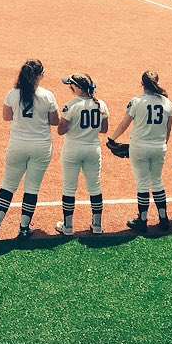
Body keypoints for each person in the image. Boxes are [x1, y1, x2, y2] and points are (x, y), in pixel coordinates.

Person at [0, 59, 59, 240]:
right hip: (41, 146)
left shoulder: (13, 94)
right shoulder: (47, 95)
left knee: (8, 185)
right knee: (32, 188)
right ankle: (24, 229)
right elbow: (55, 121)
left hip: (17, 145)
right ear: (39, 75)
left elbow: (6, 117)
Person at [106, 71, 172, 232]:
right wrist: (161, 145)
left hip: (139, 147)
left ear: (142, 83)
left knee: (142, 183)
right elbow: (168, 130)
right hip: (159, 147)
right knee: (157, 181)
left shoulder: (136, 101)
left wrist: (112, 139)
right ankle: (163, 218)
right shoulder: (167, 103)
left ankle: (142, 220)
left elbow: (124, 123)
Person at [55, 73, 108, 236]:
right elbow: (104, 129)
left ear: (78, 88)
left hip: (72, 149)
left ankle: (68, 226)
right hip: (93, 150)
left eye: (71, 86)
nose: (70, 89)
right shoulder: (101, 105)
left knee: (69, 187)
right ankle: (97, 224)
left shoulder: (70, 105)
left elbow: (60, 130)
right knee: (95, 186)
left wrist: (73, 126)